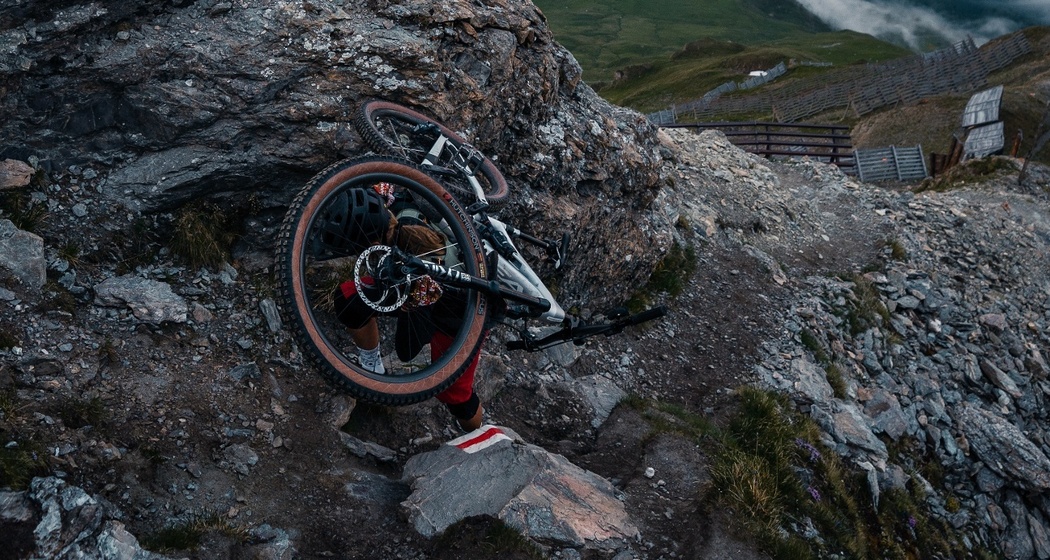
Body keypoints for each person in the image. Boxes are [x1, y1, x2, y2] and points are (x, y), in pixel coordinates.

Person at [327, 185, 486, 432]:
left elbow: (408, 343)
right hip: (422, 292)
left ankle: (479, 434)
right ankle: (372, 366)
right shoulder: (393, 202)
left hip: (462, 311)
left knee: (454, 393)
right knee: (350, 296)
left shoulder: (415, 247)